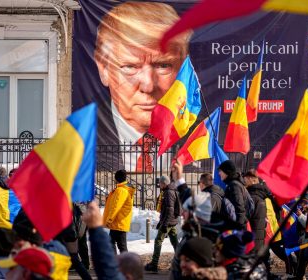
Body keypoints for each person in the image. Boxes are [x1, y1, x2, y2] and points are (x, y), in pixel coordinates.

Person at [93, 1, 191, 171]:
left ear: (184, 69)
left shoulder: (204, 132)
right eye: (130, 67)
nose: (148, 85)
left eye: (163, 65)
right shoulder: (84, 135)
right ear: (103, 68)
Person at [145, 175, 179, 273]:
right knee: (175, 242)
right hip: (170, 221)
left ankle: (154, 264)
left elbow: (170, 209)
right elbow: (167, 209)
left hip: (168, 221)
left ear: (164, 183)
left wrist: (164, 224)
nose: (159, 184)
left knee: (158, 240)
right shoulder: (170, 190)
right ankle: (179, 261)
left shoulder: (168, 193)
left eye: (160, 183)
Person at [103, 169, 136, 253]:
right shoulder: (124, 189)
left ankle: (124, 264)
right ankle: (119, 263)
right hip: (118, 222)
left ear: (116, 179)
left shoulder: (121, 190)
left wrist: (109, 219)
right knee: (115, 244)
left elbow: (115, 207)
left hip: (118, 222)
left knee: (121, 246)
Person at [218, 160, 248, 229]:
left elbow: (240, 209)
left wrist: (238, 228)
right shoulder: (232, 184)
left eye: (221, 171)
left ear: (227, 172)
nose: (219, 174)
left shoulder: (234, 186)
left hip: (236, 226)